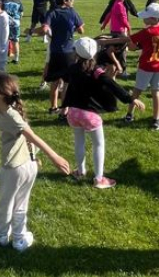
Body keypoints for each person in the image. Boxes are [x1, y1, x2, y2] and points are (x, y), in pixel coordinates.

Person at [0, 73, 71, 251]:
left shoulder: (12, 116)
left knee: (6, 203)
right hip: (29, 165)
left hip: (14, 168)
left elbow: (32, 136)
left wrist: (54, 157)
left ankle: (2, 236)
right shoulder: (7, 108)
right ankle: (19, 239)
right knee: (21, 203)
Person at [62, 37, 145, 189]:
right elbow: (112, 85)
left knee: (79, 141)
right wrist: (130, 99)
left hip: (73, 113)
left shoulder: (72, 69)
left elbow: (65, 81)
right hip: (89, 115)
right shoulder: (96, 72)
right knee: (98, 144)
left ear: (76, 53)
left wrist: (63, 105)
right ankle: (99, 179)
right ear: (95, 53)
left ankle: (80, 171)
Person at [43, 0, 84, 115]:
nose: (72, 2)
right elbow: (81, 30)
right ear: (66, 1)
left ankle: (53, 107)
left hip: (55, 52)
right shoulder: (72, 12)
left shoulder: (52, 12)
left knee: (54, 82)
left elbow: (45, 28)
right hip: (68, 52)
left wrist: (50, 34)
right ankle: (64, 109)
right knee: (66, 83)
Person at [100, 0, 132, 78]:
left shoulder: (116, 3)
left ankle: (113, 70)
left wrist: (104, 25)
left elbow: (109, 15)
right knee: (121, 52)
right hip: (120, 32)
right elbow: (123, 20)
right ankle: (122, 71)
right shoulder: (120, 5)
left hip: (114, 31)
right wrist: (129, 28)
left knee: (114, 51)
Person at [2, 0, 24, 64]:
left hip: (6, 23)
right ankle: (16, 59)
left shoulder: (4, 1)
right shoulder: (18, 1)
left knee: (5, 41)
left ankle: (5, 58)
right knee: (15, 41)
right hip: (15, 23)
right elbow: (21, 13)